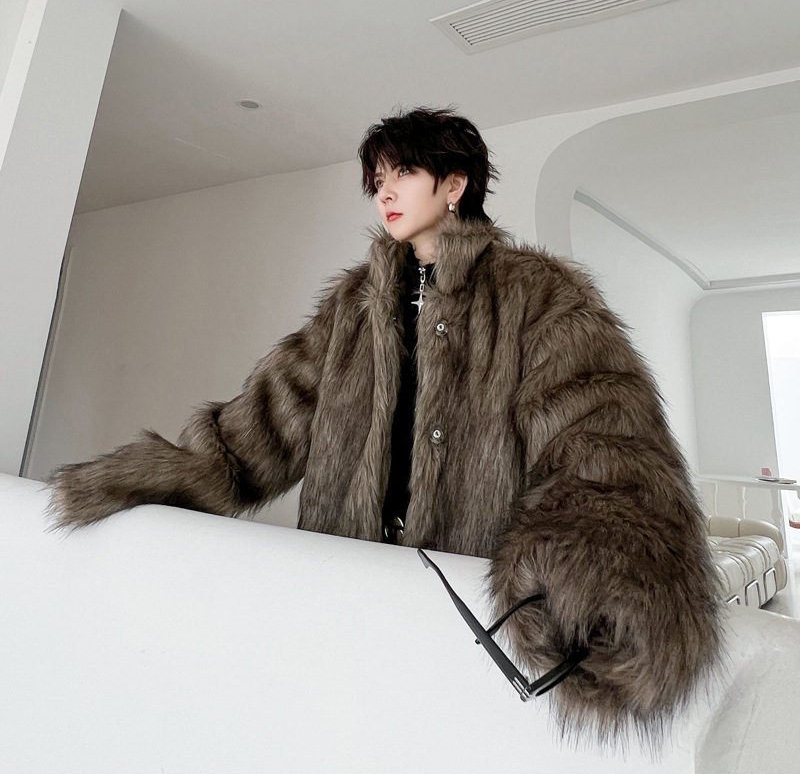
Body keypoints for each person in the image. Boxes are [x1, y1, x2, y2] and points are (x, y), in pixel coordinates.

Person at [50, 107, 721, 743]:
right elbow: (266, 423)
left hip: (459, 599)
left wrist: (596, 560)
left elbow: (601, 434)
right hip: (344, 582)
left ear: (455, 184)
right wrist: (151, 478)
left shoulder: (538, 295)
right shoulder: (354, 303)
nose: (384, 193)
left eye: (403, 172)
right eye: (376, 179)